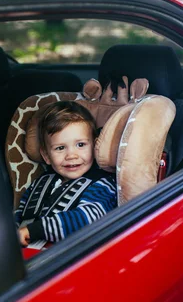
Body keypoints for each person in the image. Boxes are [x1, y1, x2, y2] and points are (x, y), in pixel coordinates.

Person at [15, 100, 117, 248]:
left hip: (67, 257)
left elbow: (90, 217)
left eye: (80, 145)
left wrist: (35, 230)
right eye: (60, 148)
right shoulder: (40, 183)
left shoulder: (102, 184)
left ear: (95, 146)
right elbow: (20, 213)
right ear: (46, 156)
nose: (71, 155)